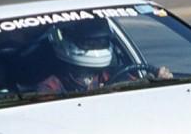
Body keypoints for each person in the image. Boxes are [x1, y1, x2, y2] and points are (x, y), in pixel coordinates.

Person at [37, 19, 172, 94]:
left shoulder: (113, 74)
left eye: (101, 42)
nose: (97, 46)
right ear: (65, 42)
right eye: (89, 43)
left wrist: (159, 80)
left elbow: (139, 86)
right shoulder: (52, 85)